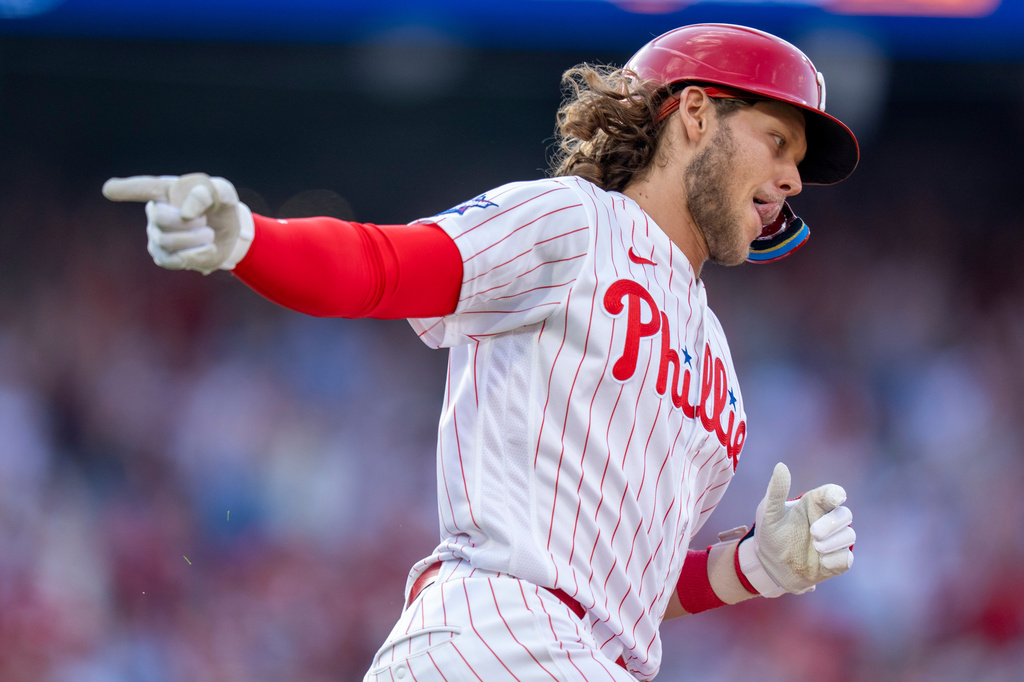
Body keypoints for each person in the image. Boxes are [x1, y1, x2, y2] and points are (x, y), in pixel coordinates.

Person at [103, 23, 858, 682]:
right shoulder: (578, 223)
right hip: (499, 633)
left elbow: (631, 590)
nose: (792, 179)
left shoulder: (719, 373)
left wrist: (752, 567)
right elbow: (385, 265)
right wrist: (250, 239)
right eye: (777, 141)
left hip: (569, 656)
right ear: (694, 112)